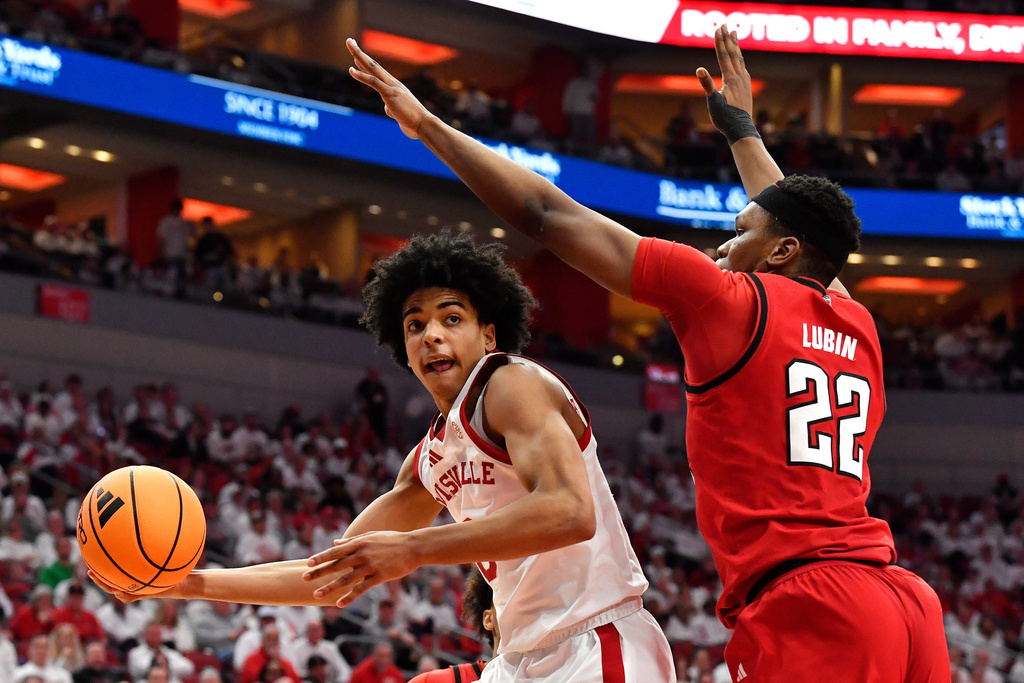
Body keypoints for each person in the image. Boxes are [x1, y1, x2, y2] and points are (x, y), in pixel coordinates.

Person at [341, 28, 948, 683]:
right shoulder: (857, 325)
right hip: (903, 604)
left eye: (738, 230)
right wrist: (743, 132)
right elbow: (808, 238)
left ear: (778, 252)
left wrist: (427, 125)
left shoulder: (726, 299)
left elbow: (548, 213)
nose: (724, 243)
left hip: (808, 603)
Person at [89, 229, 674, 682]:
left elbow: (571, 512)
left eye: (451, 318)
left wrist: (415, 549)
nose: (431, 336)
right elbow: (331, 575)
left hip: (597, 644)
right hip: (520, 658)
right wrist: (190, 585)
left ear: (489, 336)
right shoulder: (431, 460)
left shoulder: (510, 383)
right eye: (414, 325)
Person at [407, 569, 492, 683]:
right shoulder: (422, 607)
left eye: (440, 591)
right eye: (435, 591)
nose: (437, 594)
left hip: (448, 646)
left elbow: (454, 631)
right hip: (430, 647)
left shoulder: (447, 609)